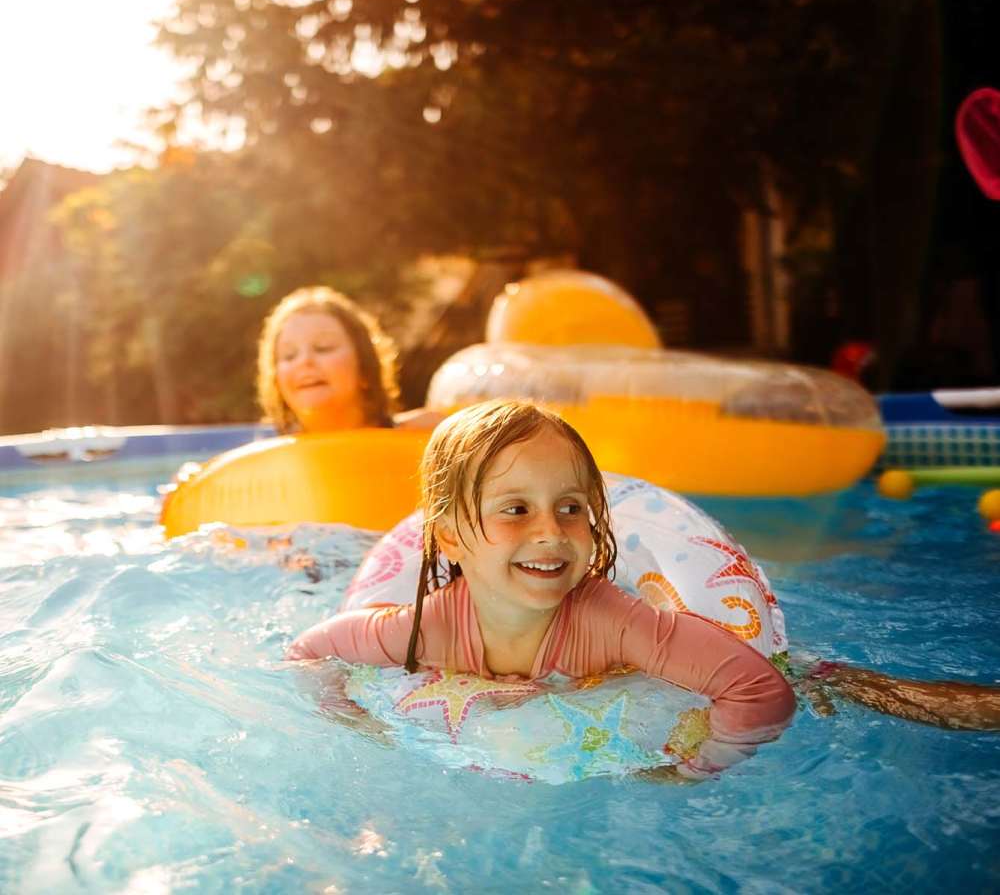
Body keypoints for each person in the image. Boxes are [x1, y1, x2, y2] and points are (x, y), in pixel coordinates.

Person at [287, 399, 797, 780]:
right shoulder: (426, 629)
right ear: (450, 538)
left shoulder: (613, 622)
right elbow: (308, 652)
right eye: (516, 510)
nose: (551, 532)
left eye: (570, 508)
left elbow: (760, 691)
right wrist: (360, 727)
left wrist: (690, 772)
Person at [256, 285, 440, 434]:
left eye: (323, 347)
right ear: (275, 381)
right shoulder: (259, 460)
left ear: (364, 366)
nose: (304, 361)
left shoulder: (427, 435)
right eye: (289, 355)